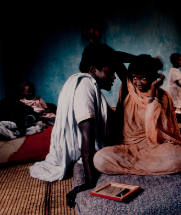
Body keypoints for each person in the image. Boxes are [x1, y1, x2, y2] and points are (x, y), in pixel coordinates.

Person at [28, 43, 134, 207]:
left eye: (115, 71)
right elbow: (87, 137)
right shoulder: (85, 85)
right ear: (93, 69)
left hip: (112, 133)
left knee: (129, 94)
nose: (113, 76)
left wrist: (138, 60)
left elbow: (117, 62)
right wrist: (90, 181)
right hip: (90, 149)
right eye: (110, 71)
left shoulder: (89, 84)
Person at [93, 54, 181, 175]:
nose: (137, 82)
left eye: (143, 78)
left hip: (154, 147)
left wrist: (151, 98)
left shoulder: (163, 97)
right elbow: (115, 57)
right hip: (127, 148)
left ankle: (135, 168)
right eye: (134, 77)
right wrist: (140, 60)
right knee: (99, 158)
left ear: (152, 77)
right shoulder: (128, 90)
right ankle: (147, 167)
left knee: (180, 158)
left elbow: (162, 133)